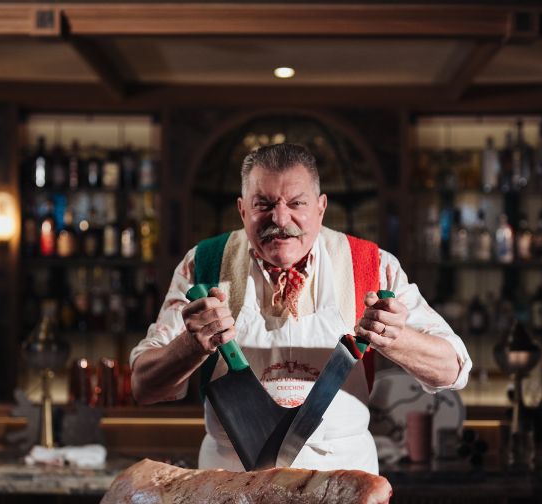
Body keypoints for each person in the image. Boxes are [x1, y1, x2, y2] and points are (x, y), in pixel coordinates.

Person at [130, 143, 471, 473]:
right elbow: (144, 387)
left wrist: (395, 337)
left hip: (344, 482)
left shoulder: (371, 264)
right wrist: (190, 346)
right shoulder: (203, 264)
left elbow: (453, 370)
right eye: (263, 204)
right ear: (242, 209)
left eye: (297, 203)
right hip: (231, 487)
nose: (280, 217)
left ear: (321, 207)